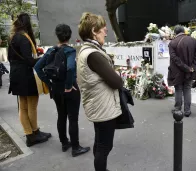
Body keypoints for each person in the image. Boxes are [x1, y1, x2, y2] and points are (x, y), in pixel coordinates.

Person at [34, 24, 90, 157]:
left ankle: (65, 143)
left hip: (56, 89)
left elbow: (37, 67)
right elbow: (70, 68)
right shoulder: (69, 51)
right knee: (73, 118)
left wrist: (49, 83)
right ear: (69, 36)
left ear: (57, 35)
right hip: (70, 89)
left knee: (61, 116)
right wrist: (69, 85)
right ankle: (75, 148)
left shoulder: (51, 50)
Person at [77, 12, 123, 171]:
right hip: (103, 107)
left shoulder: (86, 50)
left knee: (100, 143)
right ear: (94, 31)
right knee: (104, 146)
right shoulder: (94, 54)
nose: (106, 31)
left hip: (97, 105)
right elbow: (117, 82)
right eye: (103, 28)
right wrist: (117, 74)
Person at [8, 13, 51, 147]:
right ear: (27, 24)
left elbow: (13, 58)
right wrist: (43, 58)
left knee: (23, 106)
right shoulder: (25, 38)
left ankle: (32, 133)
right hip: (26, 76)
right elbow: (30, 61)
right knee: (32, 105)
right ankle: (32, 134)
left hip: (16, 75)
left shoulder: (13, 37)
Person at [167, 25, 196, 117]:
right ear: (184, 31)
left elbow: (174, 58)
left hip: (177, 71)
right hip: (190, 71)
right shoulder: (192, 40)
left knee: (178, 89)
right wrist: (193, 67)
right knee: (187, 89)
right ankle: (187, 111)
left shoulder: (172, 43)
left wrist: (185, 67)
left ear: (175, 33)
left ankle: (177, 109)